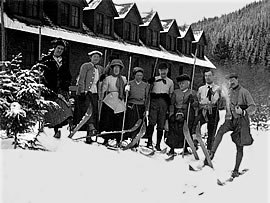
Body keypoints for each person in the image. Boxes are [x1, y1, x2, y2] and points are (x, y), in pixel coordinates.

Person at [209, 73, 256, 177]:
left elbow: (253, 107)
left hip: (241, 121)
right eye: (229, 80)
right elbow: (223, 103)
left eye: (233, 79)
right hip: (230, 120)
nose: (231, 82)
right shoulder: (228, 92)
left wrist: (243, 111)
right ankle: (211, 154)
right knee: (220, 131)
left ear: (237, 80)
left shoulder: (244, 92)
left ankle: (236, 170)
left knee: (239, 146)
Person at [41, 38, 72, 138]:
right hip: (50, 88)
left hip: (61, 89)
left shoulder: (64, 61)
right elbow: (42, 74)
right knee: (51, 110)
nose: (59, 50)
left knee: (63, 110)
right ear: (54, 48)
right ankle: (45, 130)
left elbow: (68, 75)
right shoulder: (47, 60)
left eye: (62, 49)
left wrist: (66, 83)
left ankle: (57, 130)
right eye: (58, 48)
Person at [73, 50, 105, 144]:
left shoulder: (99, 68)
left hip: (95, 92)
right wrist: (82, 91)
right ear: (90, 57)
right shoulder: (86, 66)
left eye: (98, 57)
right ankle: (91, 128)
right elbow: (81, 79)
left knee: (94, 112)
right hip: (86, 92)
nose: (96, 59)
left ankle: (89, 136)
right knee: (88, 111)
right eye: (94, 56)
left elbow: (104, 73)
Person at [165, 74, 199, 155]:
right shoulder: (175, 92)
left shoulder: (193, 92)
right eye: (179, 83)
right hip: (177, 111)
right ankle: (172, 148)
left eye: (182, 83)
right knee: (174, 129)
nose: (180, 85)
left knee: (186, 128)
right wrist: (171, 114)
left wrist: (193, 102)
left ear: (188, 83)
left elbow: (197, 105)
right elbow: (172, 104)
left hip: (187, 112)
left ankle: (186, 147)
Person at [146, 62, 174, 151]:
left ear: (167, 70)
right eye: (161, 70)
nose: (163, 72)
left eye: (165, 70)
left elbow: (171, 94)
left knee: (161, 124)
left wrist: (169, 107)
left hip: (164, 103)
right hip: (154, 102)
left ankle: (158, 144)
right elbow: (148, 90)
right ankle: (149, 141)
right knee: (151, 122)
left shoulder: (170, 82)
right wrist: (150, 82)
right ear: (158, 71)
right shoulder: (154, 79)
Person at [99, 59, 127, 145]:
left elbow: (126, 90)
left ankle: (118, 139)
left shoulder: (124, 79)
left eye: (118, 68)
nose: (116, 69)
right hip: (109, 101)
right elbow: (103, 89)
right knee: (108, 121)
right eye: (114, 67)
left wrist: (127, 89)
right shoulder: (108, 78)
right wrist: (101, 81)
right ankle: (106, 139)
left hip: (119, 101)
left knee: (118, 121)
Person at [194, 70, 221, 150]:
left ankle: (210, 148)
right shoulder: (201, 89)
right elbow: (198, 99)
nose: (207, 78)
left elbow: (216, 100)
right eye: (206, 76)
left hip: (213, 111)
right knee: (196, 123)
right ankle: (195, 140)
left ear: (213, 76)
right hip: (203, 110)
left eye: (209, 75)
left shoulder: (217, 88)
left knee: (211, 130)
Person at [124, 67, 149, 145]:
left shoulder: (146, 85)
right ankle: (128, 139)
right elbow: (125, 96)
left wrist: (146, 109)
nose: (139, 77)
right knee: (131, 123)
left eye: (141, 75)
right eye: (137, 75)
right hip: (132, 105)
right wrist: (126, 91)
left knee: (139, 123)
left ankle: (136, 140)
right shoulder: (130, 83)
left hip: (141, 106)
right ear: (134, 75)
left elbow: (147, 98)